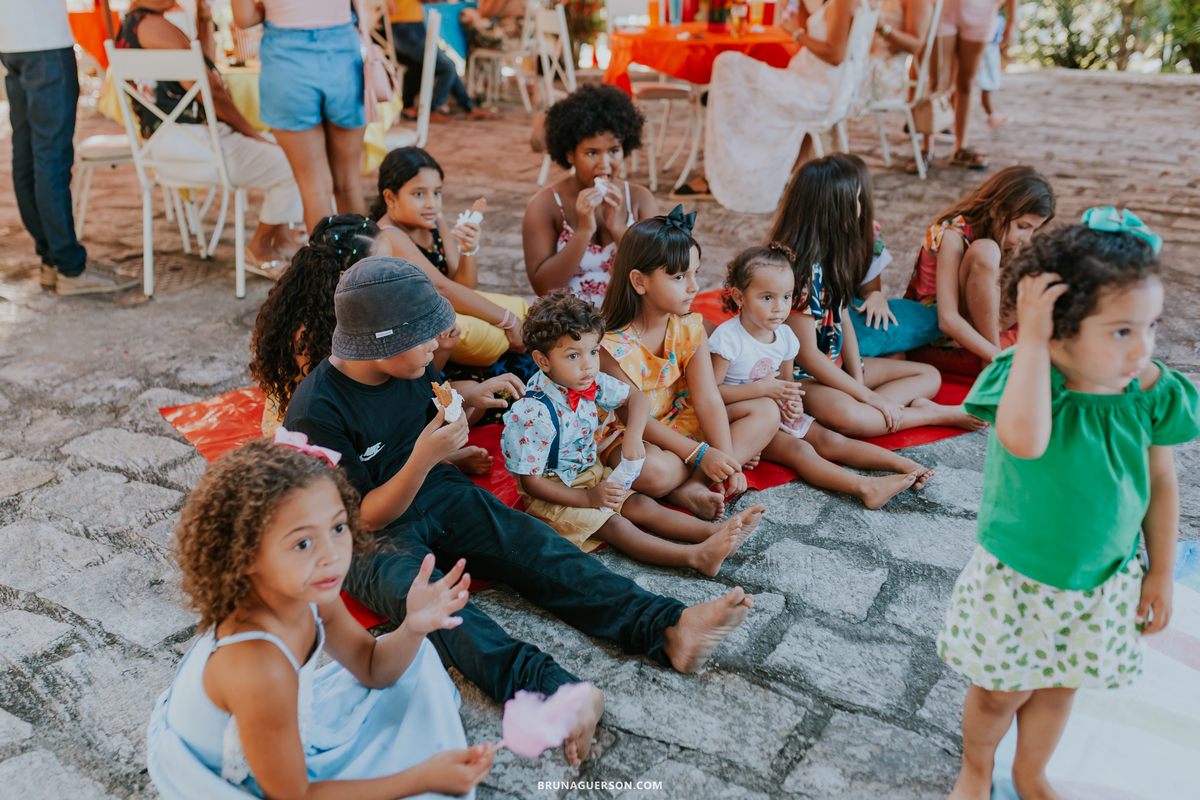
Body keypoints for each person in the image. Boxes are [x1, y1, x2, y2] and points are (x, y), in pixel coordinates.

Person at [284, 256, 760, 765]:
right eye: (424, 338)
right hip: (365, 537)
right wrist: (425, 456)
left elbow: (424, 409)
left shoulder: (410, 365)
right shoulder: (317, 412)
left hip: (437, 487)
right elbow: (363, 519)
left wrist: (465, 401)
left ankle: (667, 627)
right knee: (441, 609)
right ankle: (555, 692)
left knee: (534, 544)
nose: (438, 343)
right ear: (381, 344)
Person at [938, 212, 1199, 800]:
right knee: (1000, 693)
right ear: (1058, 327)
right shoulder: (1025, 376)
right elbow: (1025, 440)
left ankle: (1030, 772)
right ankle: (976, 769)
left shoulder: (1150, 391)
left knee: (1060, 688)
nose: (1143, 347)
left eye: (1150, 326)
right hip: (1018, 580)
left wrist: (1160, 572)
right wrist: (1031, 342)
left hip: (1103, 581)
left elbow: (1161, 482)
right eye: (1122, 331)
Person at [147, 437, 496, 798]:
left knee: (418, 656)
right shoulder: (258, 668)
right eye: (303, 543)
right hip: (239, 774)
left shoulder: (309, 595)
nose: (333, 555)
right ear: (245, 557)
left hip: (274, 722)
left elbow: (371, 667)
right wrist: (422, 778)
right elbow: (296, 795)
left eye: (338, 528)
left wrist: (413, 626)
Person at [502, 290, 767, 573]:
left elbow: (636, 398)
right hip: (554, 492)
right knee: (617, 526)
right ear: (543, 361)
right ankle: (695, 557)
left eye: (593, 352)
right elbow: (531, 483)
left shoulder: (589, 380)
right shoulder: (532, 414)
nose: (588, 364)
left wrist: (632, 436)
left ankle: (716, 532)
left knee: (643, 505)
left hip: (591, 472)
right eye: (573, 355)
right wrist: (588, 499)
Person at [250, 213, 491, 474]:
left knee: (472, 398)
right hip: (342, 424)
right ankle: (438, 459)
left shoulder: (380, 315)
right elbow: (351, 402)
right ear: (346, 275)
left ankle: (436, 455)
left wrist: (443, 346)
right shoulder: (315, 336)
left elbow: (419, 377)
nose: (390, 270)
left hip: (380, 393)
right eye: (380, 264)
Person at [774, 155, 984, 438]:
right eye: (856, 200)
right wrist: (868, 396)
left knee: (928, 375)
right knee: (850, 417)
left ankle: (877, 411)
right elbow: (808, 356)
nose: (861, 207)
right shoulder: (797, 271)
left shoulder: (831, 258)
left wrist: (858, 383)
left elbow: (844, 321)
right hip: (803, 377)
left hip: (835, 363)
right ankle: (928, 414)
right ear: (834, 210)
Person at [711, 245, 935, 509]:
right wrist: (763, 390)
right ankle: (866, 488)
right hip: (741, 423)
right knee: (801, 451)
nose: (779, 308)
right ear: (739, 296)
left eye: (786, 297)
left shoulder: (785, 336)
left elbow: (788, 385)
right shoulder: (728, 340)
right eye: (767, 297)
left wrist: (792, 404)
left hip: (773, 413)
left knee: (831, 440)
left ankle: (904, 465)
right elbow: (710, 395)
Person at [598, 208, 780, 522]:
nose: (694, 286)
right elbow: (632, 418)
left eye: (695, 273)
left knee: (766, 411)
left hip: (681, 417)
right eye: (679, 277)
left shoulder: (690, 326)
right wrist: (701, 453)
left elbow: (707, 398)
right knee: (654, 472)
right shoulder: (610, 348)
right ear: (639, 281)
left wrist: (725, 457)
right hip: (634, 435)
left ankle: (697, 483)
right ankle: (686, 483)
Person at [116, 0, 305, 279]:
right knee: (298, 160)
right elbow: (211, 90)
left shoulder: (132, 26)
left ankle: (284, 237)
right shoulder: (153, 25)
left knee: (290, 149)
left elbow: (203, 62)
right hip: (191, 143)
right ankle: (260, 246)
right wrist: (250, 132)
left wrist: (204, 18)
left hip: (165, 147)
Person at [0, 0, 140, 295]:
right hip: (45, 41)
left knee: (27, 152)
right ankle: (68, 266)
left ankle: (53, 259)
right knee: (51, 157)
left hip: (11, 40)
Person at [373, 147, 529, 371]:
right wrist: (507, 319)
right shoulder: (389, 235)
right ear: (390, 197)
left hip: (444, 312)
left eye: (437, 192)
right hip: (417, 334)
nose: (431, 203)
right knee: (507, 334)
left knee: (523, 318)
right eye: (419, 194)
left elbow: (465, 287)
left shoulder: (434, 224)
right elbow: (441, 288)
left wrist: (468, 250)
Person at [702, 0, 863, 213]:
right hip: (812, 84)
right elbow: (816, 31)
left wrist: (795, 33)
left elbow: (836, 55)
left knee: (727, 63)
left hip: (816, 93)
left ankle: (730, 171)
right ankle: (739, 168)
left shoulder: (842, 2)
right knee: (737, 77)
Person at [231, 0, 366, 232]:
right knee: (349, 184)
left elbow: (244, 19)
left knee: (314, 188)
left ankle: (327, 256)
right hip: (341, 51)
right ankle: (363, 255)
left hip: (285, 56)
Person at [523, 83, 658, 307]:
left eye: (614, 150)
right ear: (570, 154)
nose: (604, 164)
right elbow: (543, 288)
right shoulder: (544, 205)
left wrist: (619, 228)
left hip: (628, 318)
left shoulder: (639, 200)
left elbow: (656, 277)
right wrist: (583, 231)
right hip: (568, 319)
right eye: (592, 152)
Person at [904, 165, 1055, 365]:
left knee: (1039, 269)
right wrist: (997, 357)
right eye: (1022, 226)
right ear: (996, 210)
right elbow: (947, 319)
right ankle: (990, 361)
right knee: (987, 250)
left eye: (1033, 229)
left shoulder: (998, 233)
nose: (1026, 238)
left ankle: (992, 348)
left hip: (976, 315)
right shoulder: (952, 235)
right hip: (938, 328)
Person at [843, 154, 941, 357]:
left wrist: (877, 296)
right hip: (829, 328)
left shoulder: (868, 234)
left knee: (899, 352)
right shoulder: (801, 245)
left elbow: (869, 291)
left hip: (855, 315)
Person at [937, 0, 1017, 170]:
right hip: (944, 9)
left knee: (965, 84)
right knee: (937, 82)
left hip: (981, 12)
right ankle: (925, 149)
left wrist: (1012, 21)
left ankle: (960, 148)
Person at [389, 0, 495, 122]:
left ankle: (469, 108)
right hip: (405, 26)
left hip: (409, 24)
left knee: (446, 66)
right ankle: (432, 110)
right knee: (448, 66)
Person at [976, 2, 1012, 130]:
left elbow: (996, 41)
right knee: (983, 86)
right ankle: (991, 114)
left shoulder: (998, 17)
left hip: (991, 54)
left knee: (988, 86)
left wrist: (1005, 54)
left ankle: (991, 114)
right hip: (983, 54)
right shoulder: (984, 15)